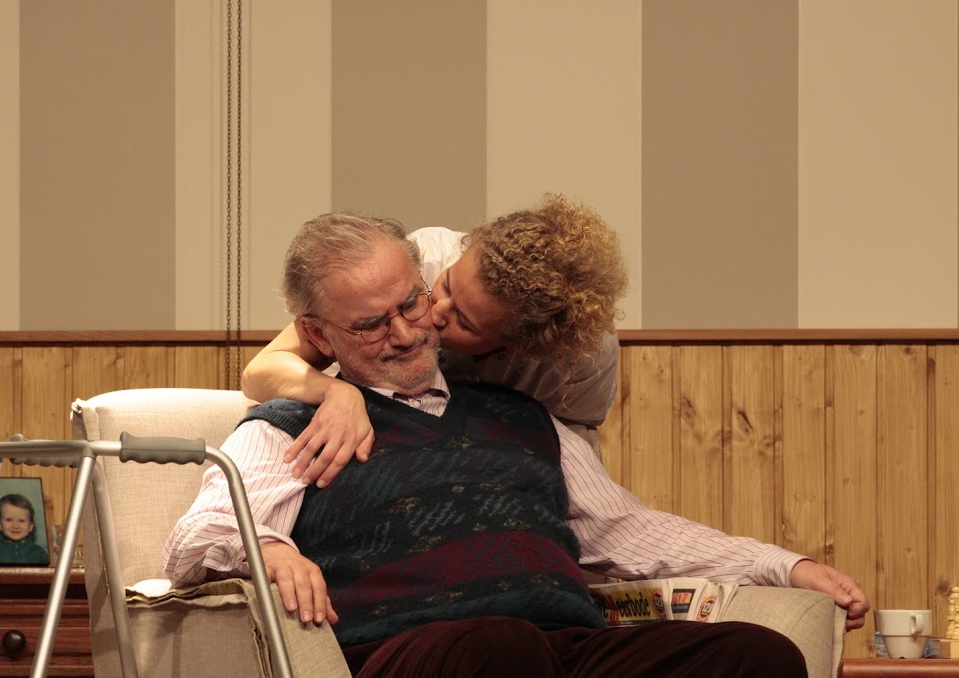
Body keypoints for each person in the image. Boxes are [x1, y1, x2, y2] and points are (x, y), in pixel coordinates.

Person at [165, 211, 869, 677]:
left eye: (410, 303)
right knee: (497, 647)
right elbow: (200, 536)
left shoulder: (530, 416)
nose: (407, 332)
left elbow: (628, 531)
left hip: (564, 649)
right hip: (421, 653)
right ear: (319, 335)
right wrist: (272, 550)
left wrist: (782, 564)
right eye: (372, 324)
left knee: (756, 656)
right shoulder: (290, 422)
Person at [241, 193, 628, 488]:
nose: (435, 312)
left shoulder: (579, 360)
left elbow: (570, 468)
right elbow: (261, 371)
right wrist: (336, 393)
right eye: (445, 285)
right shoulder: (421, 260)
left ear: (519, 346)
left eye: (464, 321)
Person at [0, 493, 50, 566]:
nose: (15, 526)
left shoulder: (40, 555)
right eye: (9, 520)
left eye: (21, 521)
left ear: (30, 526)